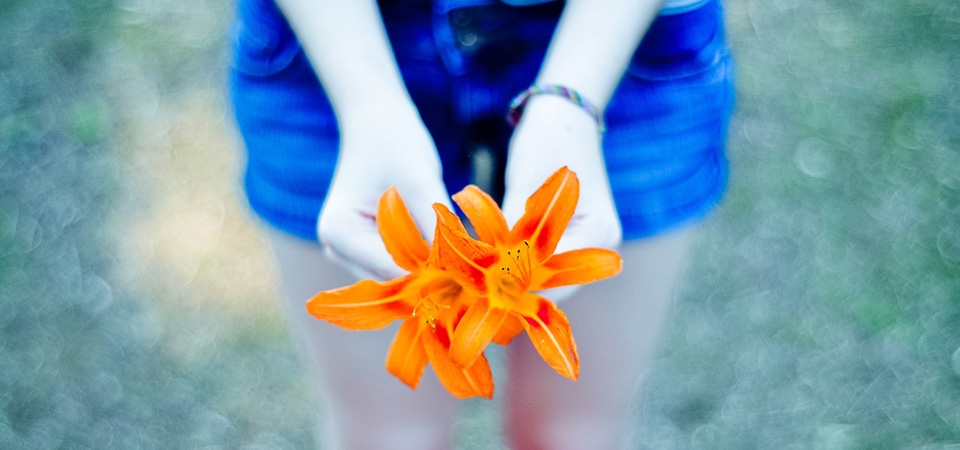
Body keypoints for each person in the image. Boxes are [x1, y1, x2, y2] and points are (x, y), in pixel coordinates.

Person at [229, 0, 733, 447]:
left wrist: (572, 99)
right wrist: (367, 103)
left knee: (571, 437)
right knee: (384, 439)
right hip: (337, 32)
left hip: (622, 31)